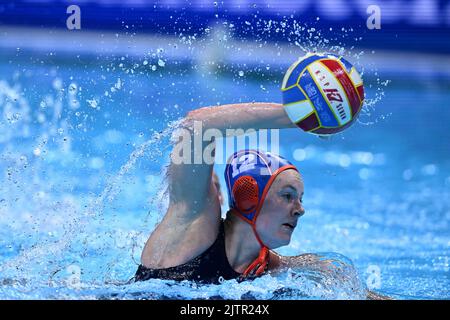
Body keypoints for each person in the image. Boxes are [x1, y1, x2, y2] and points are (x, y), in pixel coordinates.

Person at [135, 102, 389, 299]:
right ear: (249, 196)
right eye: (288, 196)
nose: (300, 210)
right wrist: (303, 116)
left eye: (300, 199)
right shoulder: (190, 231)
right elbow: (197, 125)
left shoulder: (271, 269)